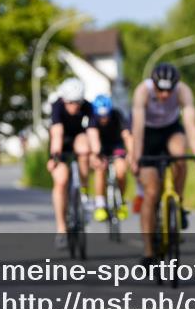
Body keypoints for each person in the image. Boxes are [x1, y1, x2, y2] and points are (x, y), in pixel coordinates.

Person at [130, 63, 195, 266]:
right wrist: (135, 158)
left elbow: (191, 125)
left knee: (180, 156)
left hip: (171, 130)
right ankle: (148, 252)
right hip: (147, 136)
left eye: (169, 90)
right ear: (153, 85)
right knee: (151, 192)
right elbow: (137, 128)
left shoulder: (183, 91)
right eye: (160, 90)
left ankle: (178, 204)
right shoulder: (142, 91)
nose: (165, 95)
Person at [46, 78, 94, 250]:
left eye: (78, 103)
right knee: (61, 181)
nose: (75, 107)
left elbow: (92, 132)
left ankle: (84, 192)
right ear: (64, 100)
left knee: (84, 147)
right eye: (71, 103)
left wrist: (95, 153)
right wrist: (54, 157)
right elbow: (57, 132)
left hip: (78, 140)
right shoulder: (57, 107)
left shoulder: (88, 106)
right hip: (60, 145)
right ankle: (61, 229)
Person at [87, 94, 132, 222]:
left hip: (116, 146)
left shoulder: (117, 115)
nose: (104, 118)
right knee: (100, 169)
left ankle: (121, 201)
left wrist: (131, 153)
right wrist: (96, 155)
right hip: (101, 147)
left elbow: (127, 135)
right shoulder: (93, 119)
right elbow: (93, 137)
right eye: (101, 116)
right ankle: (100, 203)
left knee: (121, 171)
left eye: (106, 115)